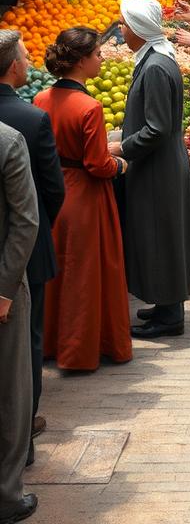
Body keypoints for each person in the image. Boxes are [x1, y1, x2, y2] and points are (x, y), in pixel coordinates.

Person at [35, 28, 131, 372]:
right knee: (88, 272)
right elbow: (97, 164)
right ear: (80, 61)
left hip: (54, 190)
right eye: (97, 55)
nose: (101, 60)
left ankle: (50, 343)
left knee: (57, 270)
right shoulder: (89, 106)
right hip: (87, 196)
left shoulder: (41, 99)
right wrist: (119, 163)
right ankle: (83, 348)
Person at [111, 0, 190, 337]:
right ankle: (164, 304)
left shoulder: (156, 67)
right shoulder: (155, 59)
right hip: (157, 165)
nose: (121, 29)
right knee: (159, 234)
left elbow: (156, 128)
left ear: (140, 30)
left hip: (158, 167)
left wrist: (122, 147)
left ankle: (170, 316)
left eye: (125, 24)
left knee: (161, 236)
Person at [0, 31, 64, 462]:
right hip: (23, 250)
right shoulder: (30, 118)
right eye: (24, 56)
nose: (29, 61)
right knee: (26, 347)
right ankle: (23, 437)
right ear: (13, 68)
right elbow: (51, 190)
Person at [0, 122, 39, 524]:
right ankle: (7, 496)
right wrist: (5, 290)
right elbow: (25, 221)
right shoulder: (8, 141)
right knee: (11, 391)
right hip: (4, 289)